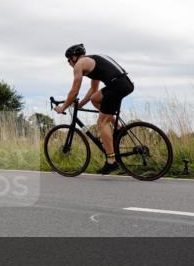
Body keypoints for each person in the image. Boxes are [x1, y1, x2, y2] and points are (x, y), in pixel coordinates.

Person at [54, 44, 134, 174]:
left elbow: (74, 91)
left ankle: (111, 161)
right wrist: (80, 105)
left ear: (74, 57)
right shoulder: (92, 62)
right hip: (125, 83)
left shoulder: (79, 65)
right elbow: (94, 90)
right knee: (95, 99)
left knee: (102, 123)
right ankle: (119, 128)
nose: (68, 63)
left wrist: (63, 107)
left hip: (117, 86)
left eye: (68, 60)